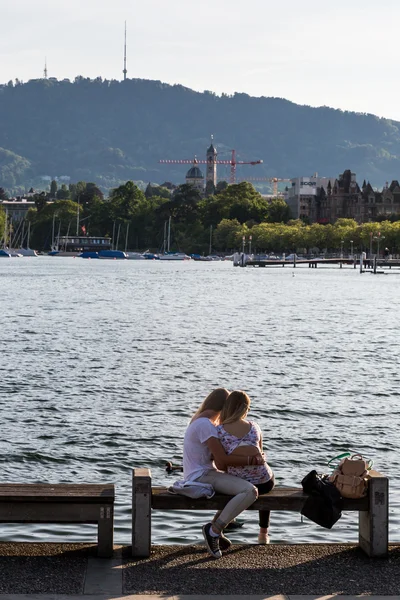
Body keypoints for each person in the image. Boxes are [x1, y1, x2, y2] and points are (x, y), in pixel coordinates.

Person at [183, 388, 264, 559]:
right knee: (250, 491)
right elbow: (222, 461)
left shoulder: (199, 420)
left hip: (201, 473)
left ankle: (216, 531)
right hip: (202, 475)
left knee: (238, 487)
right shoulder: (206, 425)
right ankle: (214, 530)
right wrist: (253, 461)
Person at [216, 390, 275, 544]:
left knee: (228, 481)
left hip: (238, 485)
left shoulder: (219, 431)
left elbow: (220, 464)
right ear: (244, 409)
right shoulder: (255, 427)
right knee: (265, 475)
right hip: (263, 484)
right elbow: (261, 454)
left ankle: (221, 524)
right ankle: (263, 534)